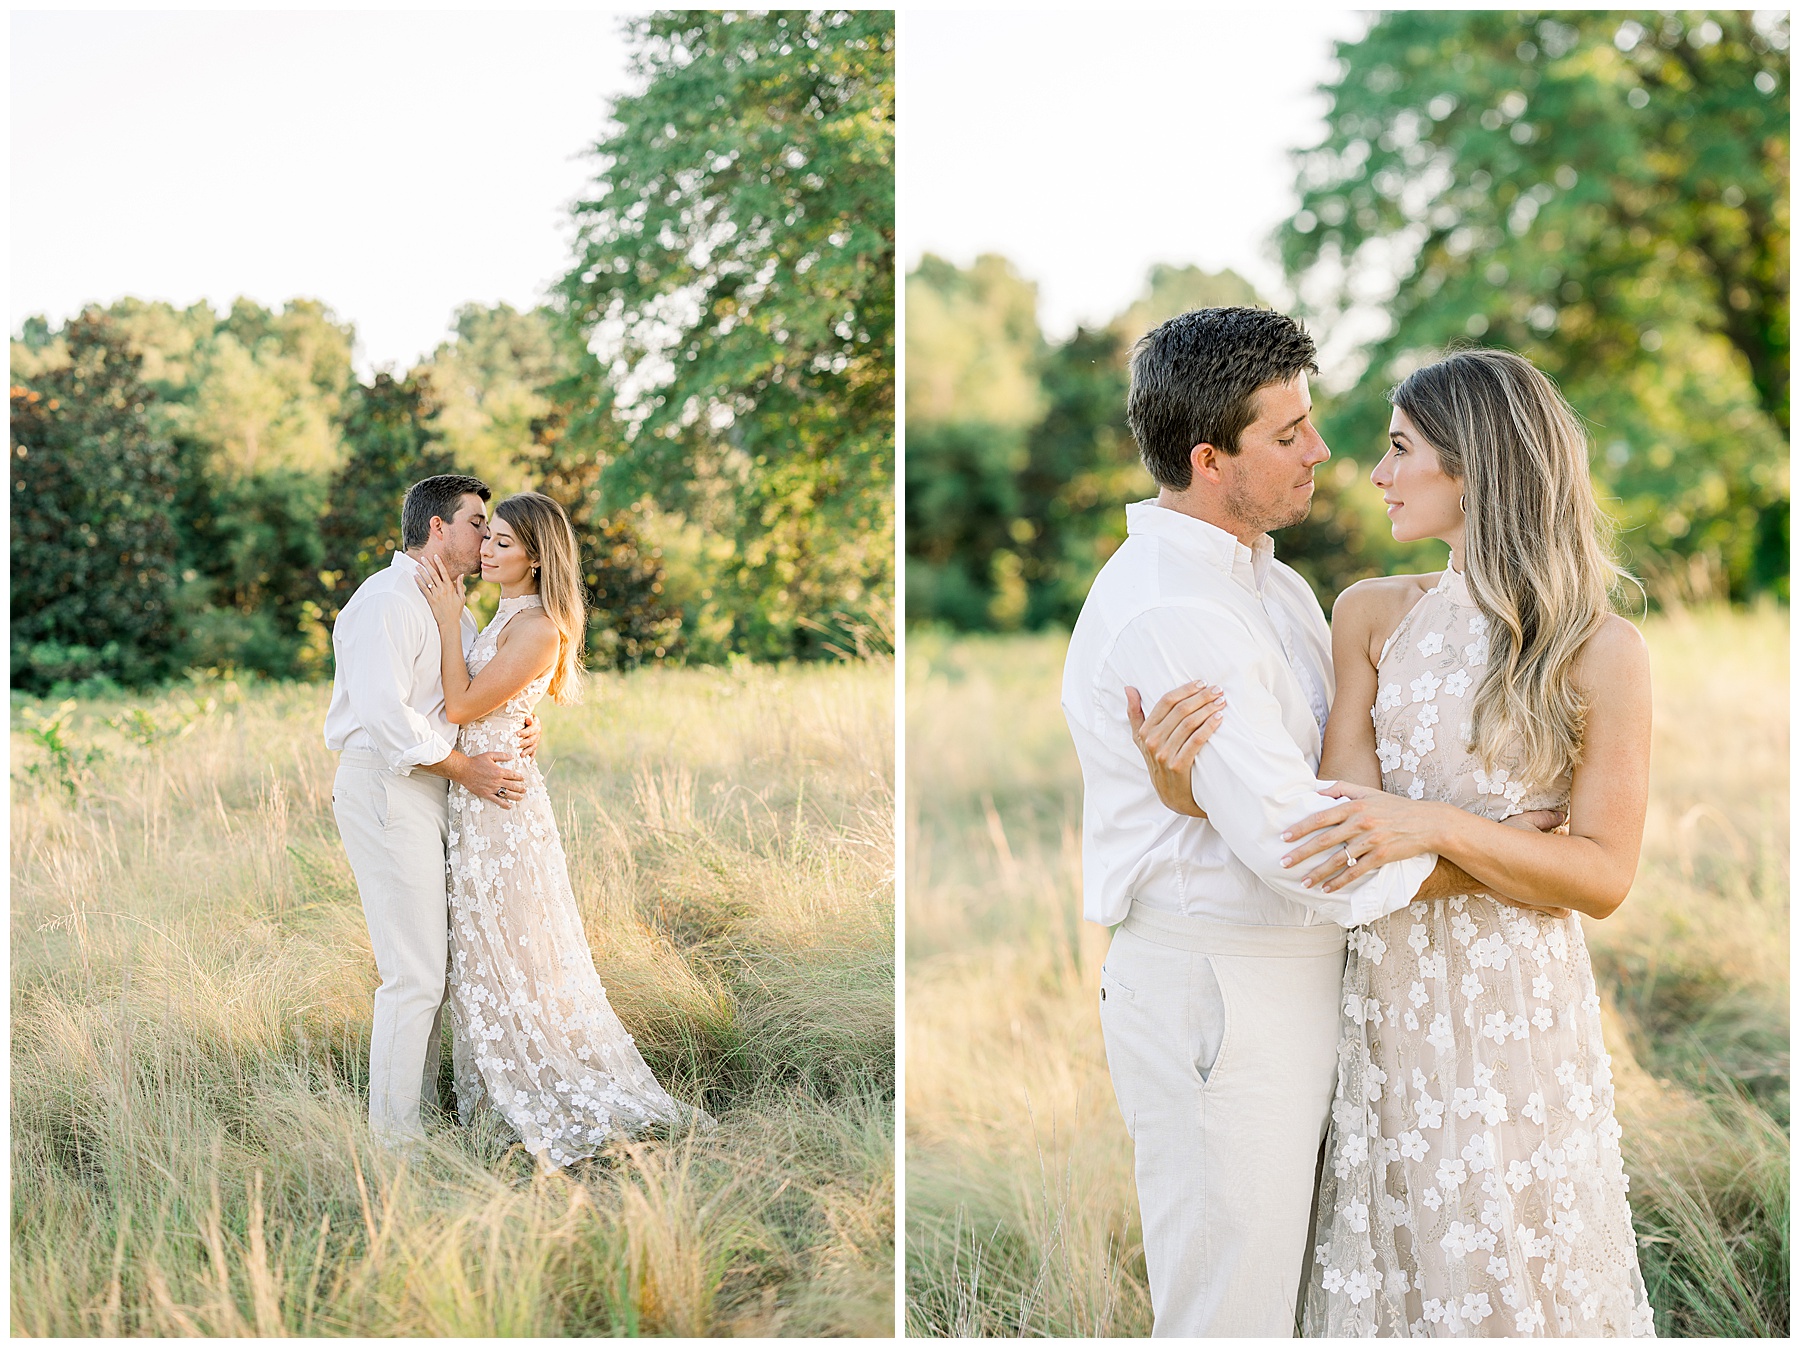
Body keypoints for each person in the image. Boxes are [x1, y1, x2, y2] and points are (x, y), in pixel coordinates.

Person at [1136, 349, 1655, 1336]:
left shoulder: (1601, 649)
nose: (1373, 474)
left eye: (1399, 448)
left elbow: (1602, 876)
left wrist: (1431, 827)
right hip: (1385, 1000)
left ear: (1476, 468)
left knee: (1517, 1264)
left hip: (1521, 1012)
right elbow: (1340, 841)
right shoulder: (1368, 614)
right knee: (1401, 1264)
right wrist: (1193, 790)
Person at [1060, 308, 1548, 1337]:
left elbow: (1315, 781)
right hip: (1223, 987)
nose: (1323, 451)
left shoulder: (1269, 583)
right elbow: (1308, 852)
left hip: (1311, 980)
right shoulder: (1173, 610)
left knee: (1309, 1295)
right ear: (1208, 458)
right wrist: (1504, 855)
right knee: (1230, 1310)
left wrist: (1192, 796)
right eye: (1289, 435)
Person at [414, 490, 712, 1171]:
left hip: (504, 813)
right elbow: (497, 705)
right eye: (487, 539)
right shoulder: (508, 614)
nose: (486, 550)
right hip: (480, 796)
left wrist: (445, 612)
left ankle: (551, 1085)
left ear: (538, 557)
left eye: (503, 544)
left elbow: (461, 702)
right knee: (487, 950)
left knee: (520, 950)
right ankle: (497, 1084)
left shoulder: (540, 625)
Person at [325, 474, 540, 1147]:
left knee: (439, 970)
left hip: (441, 788)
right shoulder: (387, 600)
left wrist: (523, 728)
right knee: (413, 974)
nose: (487, 538)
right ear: (437, 529)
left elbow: (469, 699)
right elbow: (390, 723)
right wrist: (467, 769)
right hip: (389, 787)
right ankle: (393, 1144)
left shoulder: (458, 610)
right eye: (478, 523)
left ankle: (423, 1115)